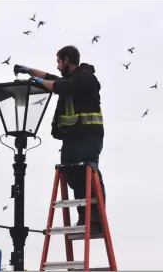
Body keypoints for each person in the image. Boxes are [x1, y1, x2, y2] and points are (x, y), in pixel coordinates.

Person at [13, 45, 106, 234]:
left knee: (87, 175)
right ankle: (84, 216)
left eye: (58, 61)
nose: (57, 66)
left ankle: (97, 217)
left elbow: (61, 86)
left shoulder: (86, 78)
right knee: (73, 177)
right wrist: (29, 71)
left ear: (67, 60)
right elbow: (52, 79)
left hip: (88, 138)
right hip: (72, 139)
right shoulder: (73, 78)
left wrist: (40, 81)